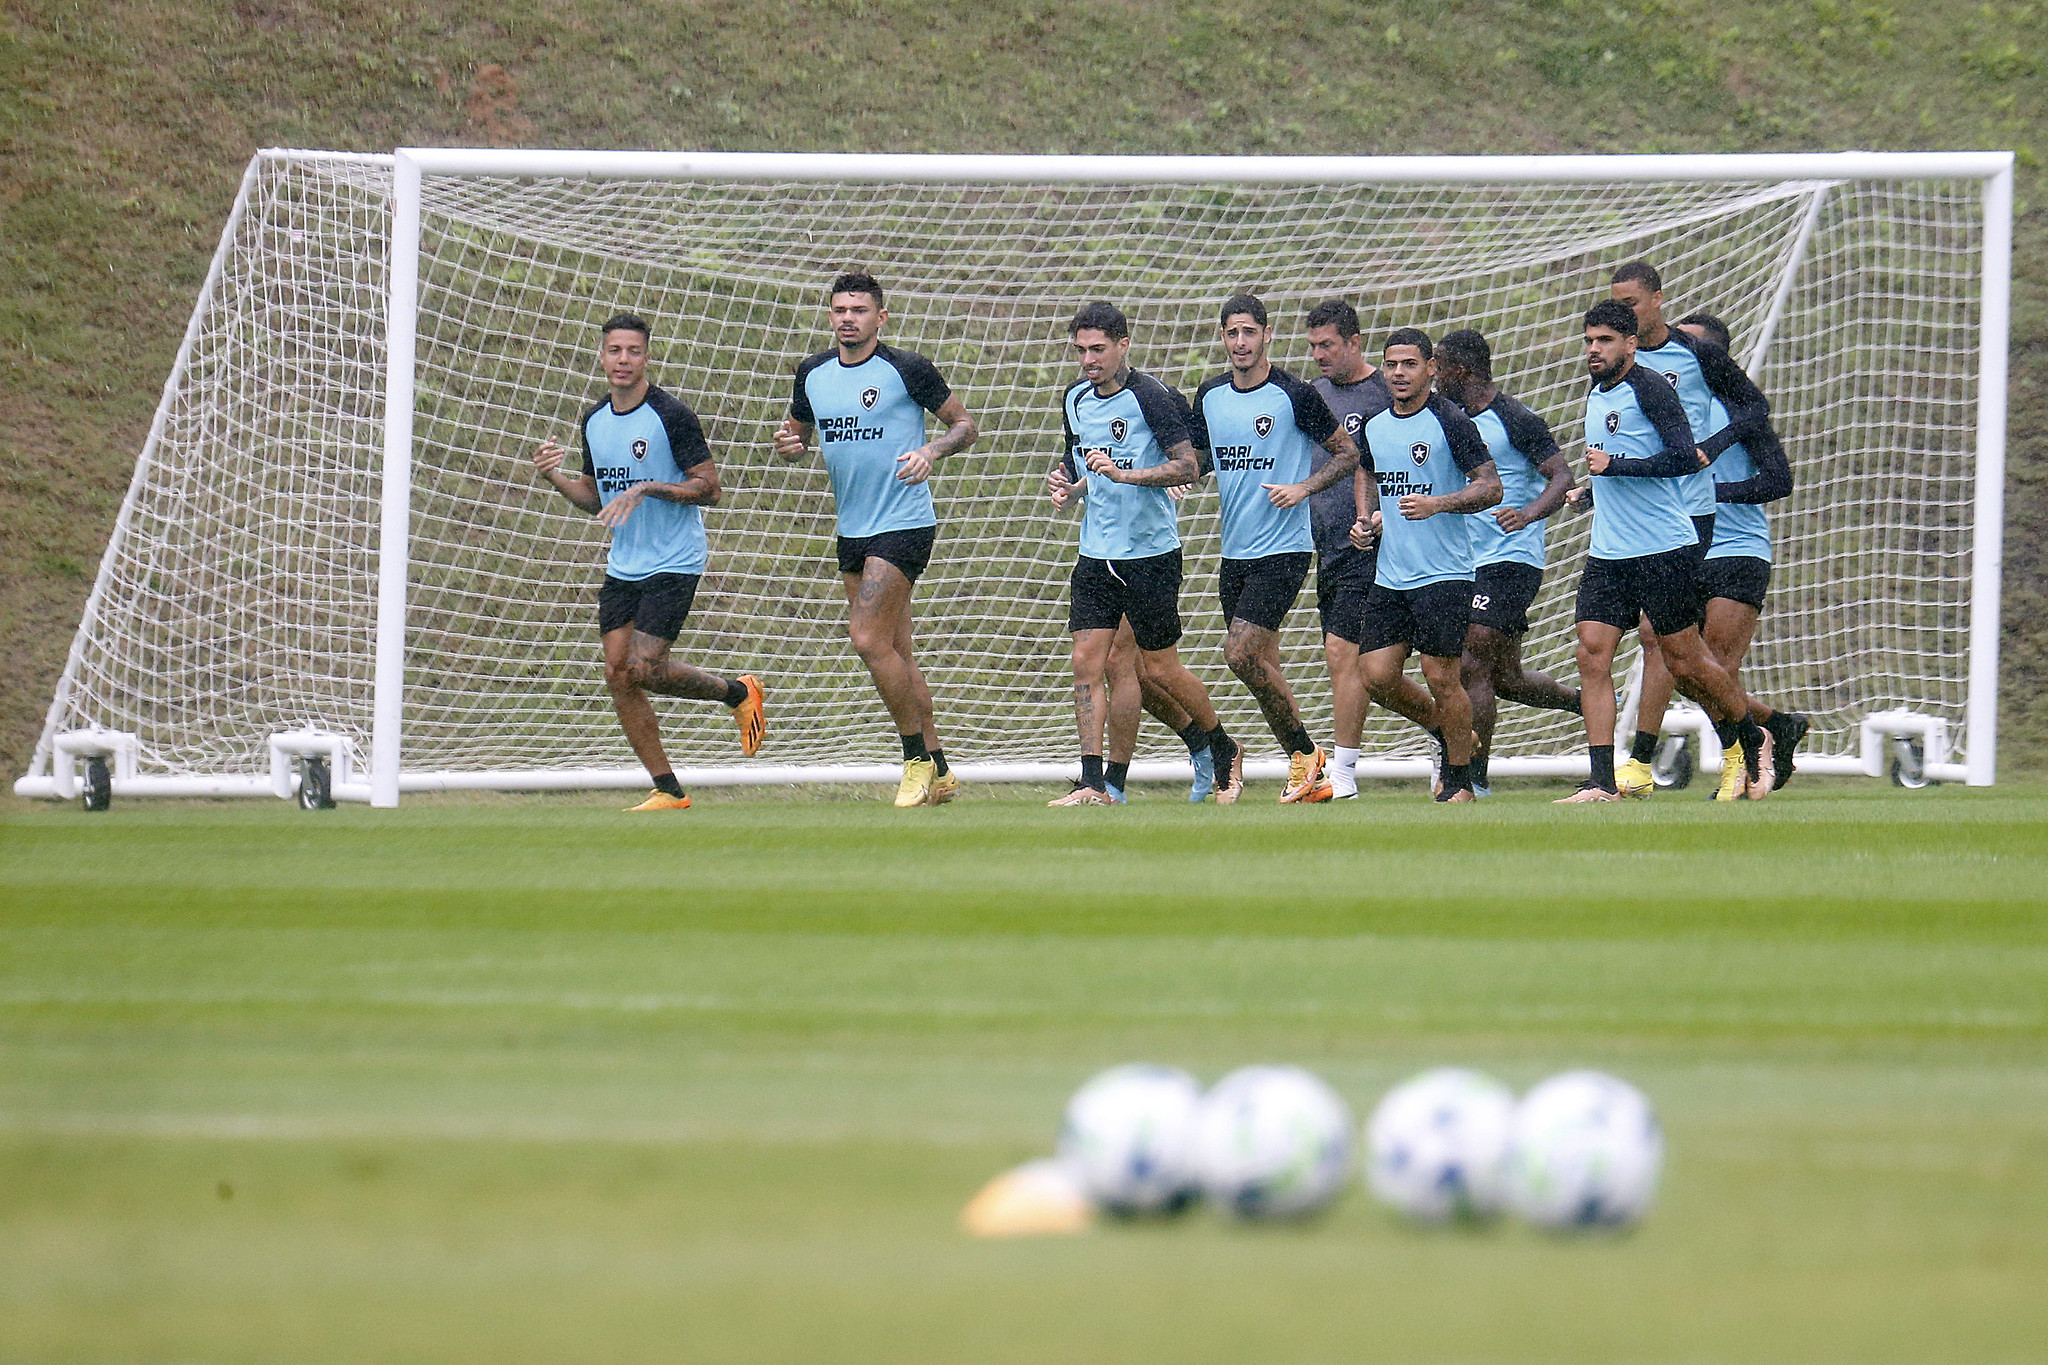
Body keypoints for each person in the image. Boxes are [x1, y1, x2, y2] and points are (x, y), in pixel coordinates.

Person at [532, 312, 765, 812]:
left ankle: (737, 691)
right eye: (614, 350)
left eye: (633, 351)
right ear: (602, 355)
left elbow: (710, 488)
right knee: (620, 673)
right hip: (625, 564)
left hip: (675, 560)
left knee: (643, 665)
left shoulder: (670, 416)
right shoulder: (593, 421)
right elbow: (597, 498)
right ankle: (667, 788)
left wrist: (648, 488)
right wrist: (555, 477)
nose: (623, 360)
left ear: (647, 357)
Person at [773, 272, 979, 808]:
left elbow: (964, 424)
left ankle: (913, 760)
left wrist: (932, 452)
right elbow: (798, 431)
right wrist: (791, 444)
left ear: (880, 317)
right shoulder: (813, 373)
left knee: (866, 639)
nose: (848, 318)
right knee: (895, 651)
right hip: (853, 530)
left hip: (904, 523)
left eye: (859, 310)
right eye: (840, 309)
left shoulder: (906, 368)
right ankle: (942, 771)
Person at [1556, 300, 1769, 803]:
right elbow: (1618, 460)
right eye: (1589, 340)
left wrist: (1616, 467)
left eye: (1605, 340)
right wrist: (1591, 490)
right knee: (1592, 652)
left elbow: (1682, 458)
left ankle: (1747, 736)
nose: (1594, 349)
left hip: (1663, 547)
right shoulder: (1597, 390)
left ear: (1631, 344)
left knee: (1685, 660)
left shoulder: (1651, 389)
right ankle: (1602, 782)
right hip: (1610, 548)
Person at [1607, 262, 1806, 795]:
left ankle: (1734, 762)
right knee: (1668, 648)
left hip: (1736, 543)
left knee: (1710, 662)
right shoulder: (1632, 388)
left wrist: (1712, 477)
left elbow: (1778, 477)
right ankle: (1766, 729)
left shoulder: (1731, 411)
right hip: (1675, 530)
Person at [1044, 301, 1241, 805]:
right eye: (1081, 350)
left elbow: (1188, 467)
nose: (1089, 360)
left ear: (1123, 346)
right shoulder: (1075, 399)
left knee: (1158, 669)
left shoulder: (1151, 396)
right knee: (1087, 662)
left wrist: (1126, 475)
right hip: (1096, 553)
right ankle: (1095, 782)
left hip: (1150, 554)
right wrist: (1070, 486)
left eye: (1099, 349)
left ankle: (1222, 746)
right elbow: (1084, 465)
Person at [1189, 293, 1363, 803]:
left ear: (1267, 335)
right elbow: (1202, 457)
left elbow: (1347, 453)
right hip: (1235, 552)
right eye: (1231, 332)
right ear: (1222, 338)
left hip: (1284, 549)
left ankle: (1307, 753)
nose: (1240, 342)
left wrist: (1304, 488)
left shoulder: (1294, 393)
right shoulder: (1211, 395)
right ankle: (1308, 773)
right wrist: (1186, 477)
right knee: (1262, 664)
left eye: (1249, 331)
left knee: (1239, 654)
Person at [1351, 329, 1503, 803]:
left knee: (1442, 677)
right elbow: (1366, 469)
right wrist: (1364, 519)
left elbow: (1491, 487)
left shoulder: (1451, 421)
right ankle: (1454, 731)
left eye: (1410, 364)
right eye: (1392, 364)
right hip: (1391, 574)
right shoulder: (1375, 425)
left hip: (1445, 573)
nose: (1399, 373)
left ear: (1431, 368)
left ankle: (1458, 781)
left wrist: (1440, 503)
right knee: (1376, 675)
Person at [1303, 299, 1444, 799]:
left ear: (1355, 343)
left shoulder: (1390, 391)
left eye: (1329, 345)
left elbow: (1414, 460)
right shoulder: (1312, 395)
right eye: (1313, 345)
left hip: (1388, 549)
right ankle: (1446, 729)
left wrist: (1381, 515)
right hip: (1330, 548)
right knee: (1369, 670)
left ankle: (1342, 774)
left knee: (1346, 654)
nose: (1319, 354)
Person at [1434, 329, 1581, 797]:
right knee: (1506, 678)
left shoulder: (1515, 418)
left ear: (1462, 370)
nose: (1433, 375)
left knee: (1470, 660)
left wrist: (1528, 514)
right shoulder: (1445, 418)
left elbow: (1561, 477)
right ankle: (1590, 704)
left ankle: (1473, 779)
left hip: (1509, 558)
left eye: (1438, 366)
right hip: (1459, 559)